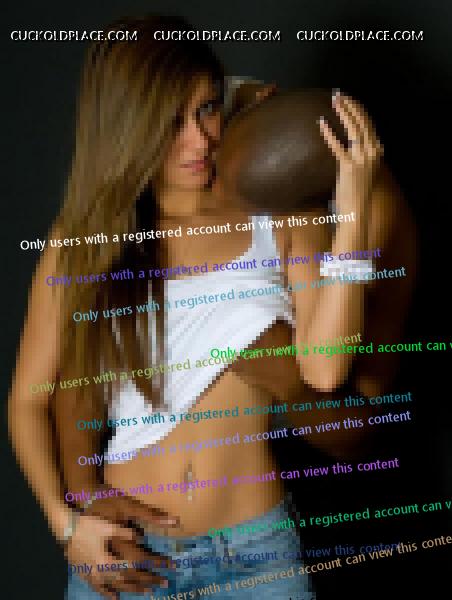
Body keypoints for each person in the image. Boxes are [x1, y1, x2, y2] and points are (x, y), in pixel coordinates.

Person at [8, 14, 416, 600]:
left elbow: (325, 371)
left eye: (206, 109)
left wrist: (350, 212)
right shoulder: (84, 239)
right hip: (128, 552)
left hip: (257, 557)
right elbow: (28, 400)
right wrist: (65, 524)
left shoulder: (279, 215)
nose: (199, 141)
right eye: (170, 123)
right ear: (128, 127)